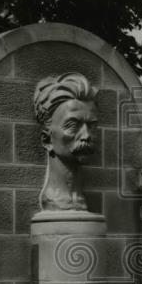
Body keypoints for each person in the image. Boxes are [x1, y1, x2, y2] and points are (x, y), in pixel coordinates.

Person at [32, 72, 99, 212]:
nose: (86, 135)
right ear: (47, 140)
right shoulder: (51, 201)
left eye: (91, 126)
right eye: (73, 126)